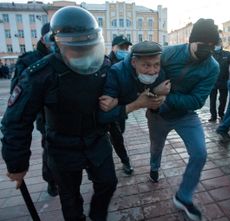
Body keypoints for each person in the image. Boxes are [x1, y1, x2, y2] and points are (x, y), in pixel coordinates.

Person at [1, 6, 117, 221]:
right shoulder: (40, 74)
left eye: (88, 46)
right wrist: (17, 164)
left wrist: (117, 98)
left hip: (96, 139)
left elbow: (122, 88)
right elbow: (16, 120)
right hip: (62, 145)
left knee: (108, 182)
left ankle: (98, 216)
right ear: (58, 45)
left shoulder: (104, 65)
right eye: (77, 48)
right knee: (70, 198)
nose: (84, 54)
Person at [146, 18, 219, 221]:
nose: (208, 49)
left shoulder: (212, 67)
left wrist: (166, 97)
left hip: (186, 115)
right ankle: (154, 167)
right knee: (156, 147)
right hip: (158, 115)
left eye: (213, 46)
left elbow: (196, 100)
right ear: (192, 41)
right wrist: (153, 95)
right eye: (204, 44)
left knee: (200, 153)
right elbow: (147, 74)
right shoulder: (169, 53)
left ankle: (183, 196)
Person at [9, 23, 58, 196]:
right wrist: (16, 163)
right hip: (45, 119)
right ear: (43, 39)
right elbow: (17, 111)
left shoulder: (72, 55)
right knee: (50, 149)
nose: (56, 42)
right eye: (52, 37)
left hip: (71, 116)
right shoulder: (30, 61)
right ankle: (52, 180)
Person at [106, 35, 134, 174]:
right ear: (113, 47)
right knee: (116, 136)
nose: (124, 50)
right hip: (107, 107)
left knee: (119, 134)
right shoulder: (105, 63)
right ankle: (125, 161)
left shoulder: (128, 64)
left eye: (126, 47)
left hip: (121, 108)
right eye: (121, 47)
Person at [208, 38, 230, 122]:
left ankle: (221, 113)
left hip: (224, 81)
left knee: (223, 99)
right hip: (212, 82)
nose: (218, 44)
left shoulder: (227, 54)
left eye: (220, 42)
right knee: (212, 100)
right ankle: (213, 115)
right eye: (217, 43)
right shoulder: (209, 54)